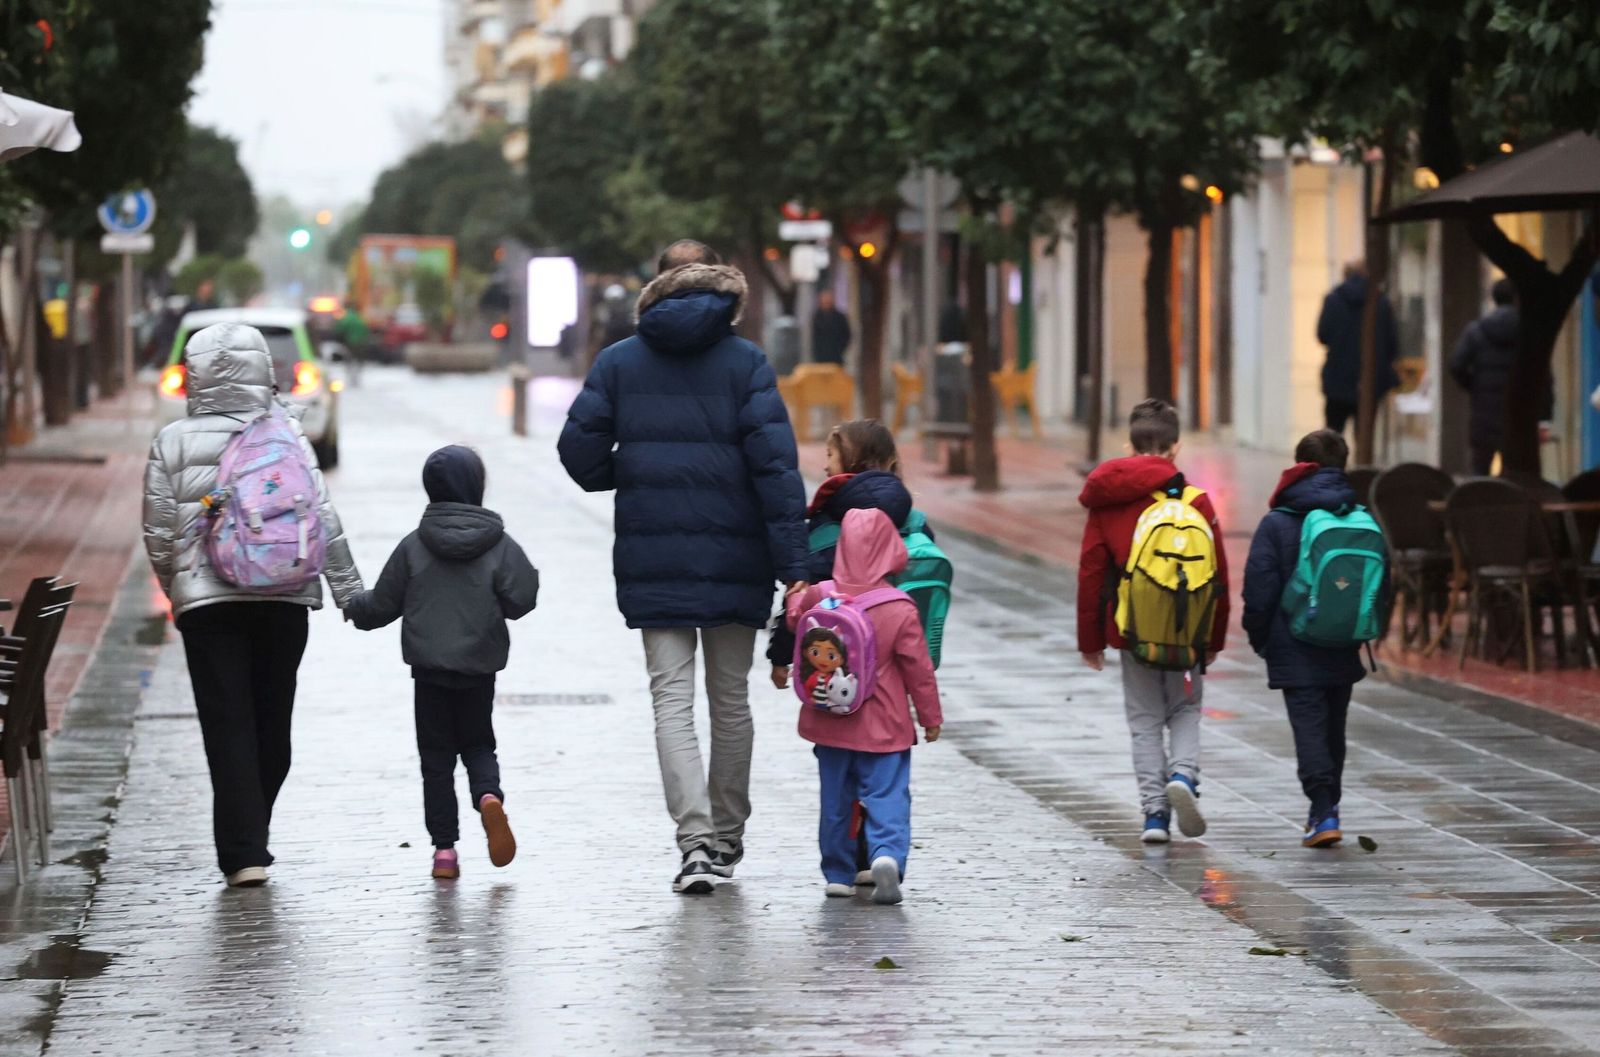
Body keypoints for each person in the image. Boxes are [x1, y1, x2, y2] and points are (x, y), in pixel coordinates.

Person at [558, 239, 809, 895]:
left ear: (656, 284)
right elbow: (776, 470)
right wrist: (796, 566)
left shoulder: (618, 362)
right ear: (724, 286)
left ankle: (694, 843)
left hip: (655, 557)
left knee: (671, 700)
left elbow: (579, 454)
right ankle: (726, 837)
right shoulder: (747, 362)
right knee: (730, 701)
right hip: (739, 554)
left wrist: (637, 468)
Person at [142, 323, 361, 888]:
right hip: (282, 598)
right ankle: (249, 842)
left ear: (196, 374)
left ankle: (244, 847)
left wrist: (180, 590)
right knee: (272, 723)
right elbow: (323, 517)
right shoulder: (288, 435)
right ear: (264, 371)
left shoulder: (172, 441)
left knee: (227, 725)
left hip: (209, 609)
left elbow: (159, 532)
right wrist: (349, 590)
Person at [345, 445, 540, 879]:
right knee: (478, 745)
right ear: (478, 487)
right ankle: (489, 797)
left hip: (429, 673)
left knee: (435, 761)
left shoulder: (414, 546)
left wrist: (354, 608)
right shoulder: (500, 545)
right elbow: (523, 598)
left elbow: (382, 604)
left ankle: (445, 852)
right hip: (479, 669)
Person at [1076, 398, 1230, 843]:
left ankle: (1155, 815)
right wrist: (1214, 637)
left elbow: (1091, 572)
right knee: (1184, 708)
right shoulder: (1197, 501)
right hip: (1187, 629)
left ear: (1129, 443)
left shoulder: (1107, 501)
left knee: (1144, 719)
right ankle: (1182, 775)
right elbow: (1218, 573)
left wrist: (1091, 640)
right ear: (1176, 448)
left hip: (1131, 628)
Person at [786, 508, 942, 904]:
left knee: (836, 799)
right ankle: (886, 855)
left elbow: (794, 622)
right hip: (884, 724)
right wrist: (930, 717)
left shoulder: (823, 595)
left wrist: (796, 600)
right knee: (887, 794)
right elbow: (918, 669)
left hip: (829, 722)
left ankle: (837, 873)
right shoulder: (900, 606)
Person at [1241, 429, 1368, 848]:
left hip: (1294, 641)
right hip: (1345, 639)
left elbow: (1259, 587)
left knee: (1310, 728)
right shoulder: (1358, 517)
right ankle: (1328, 806)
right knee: (1334, 728)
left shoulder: (1278, 522)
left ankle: (1323, 809)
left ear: (1298, 466)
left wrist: (1260, 638)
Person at [766, 419, 917, 689]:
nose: (825, 466)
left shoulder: (837, 522)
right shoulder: (908, 516)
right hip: (894, 657)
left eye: (830, 455)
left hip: (843, 662)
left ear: (854, 460)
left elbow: (806, 598)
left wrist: (779, 656)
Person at [1449, 278, 1550, 476]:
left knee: (1479, 475)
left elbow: (1456, 365)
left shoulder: (1476, 331)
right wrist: (1545, 417)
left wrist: (1475, 386)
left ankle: (1477, 507)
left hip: (1484, 416)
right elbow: (1544, 377)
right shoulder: (1530, 333)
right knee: (1517, 477)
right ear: (1517, 299)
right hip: (1519, 417)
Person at [1316, 262, 1400, 434]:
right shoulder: (1381, 303)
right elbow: (1392, 344)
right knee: (1363, 435)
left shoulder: (1333, 300)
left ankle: (1334, 462)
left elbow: (1322, 335)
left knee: (1333, 434)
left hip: (1337, 378)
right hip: (1370, 381)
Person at [811, 289, 851, 366]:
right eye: (824, 299)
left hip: (836, 355)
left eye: (828, 299)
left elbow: (846, 334)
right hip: (821, 357)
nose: (826, 302)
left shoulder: (840, 317)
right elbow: (815, 338)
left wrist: (840, 349)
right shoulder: (817, 317)